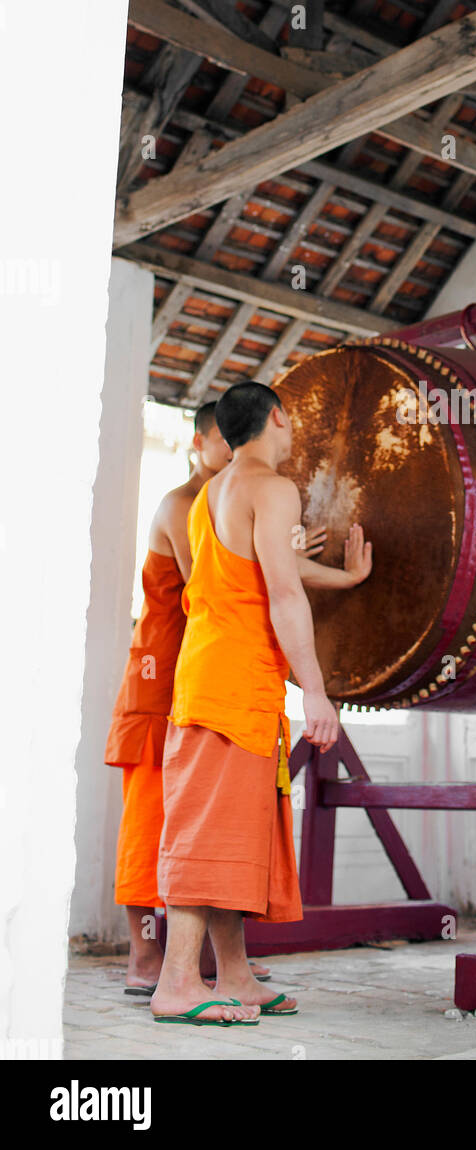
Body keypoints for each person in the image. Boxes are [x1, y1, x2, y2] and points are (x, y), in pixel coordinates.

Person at [150, 381, 372, 1027]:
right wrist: (319, 693)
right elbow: (281, 593)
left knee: (233, 837)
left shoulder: (212, 493)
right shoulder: (271, 489)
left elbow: (263, 567)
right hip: (232, 685)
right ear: (279, 416)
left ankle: (237, 977)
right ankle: (177, 984)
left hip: (216, 679)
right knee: (208, 837)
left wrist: (347, 576)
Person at [105, 402, 231, 995]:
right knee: (148, 823)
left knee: (193, 823)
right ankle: (142, 960)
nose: (235, 453)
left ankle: (194, 959)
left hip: (198, 679)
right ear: (198, 442)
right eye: (225, 441)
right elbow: (206, 588)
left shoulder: (221, 508)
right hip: (158, 682)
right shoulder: (183, 506)